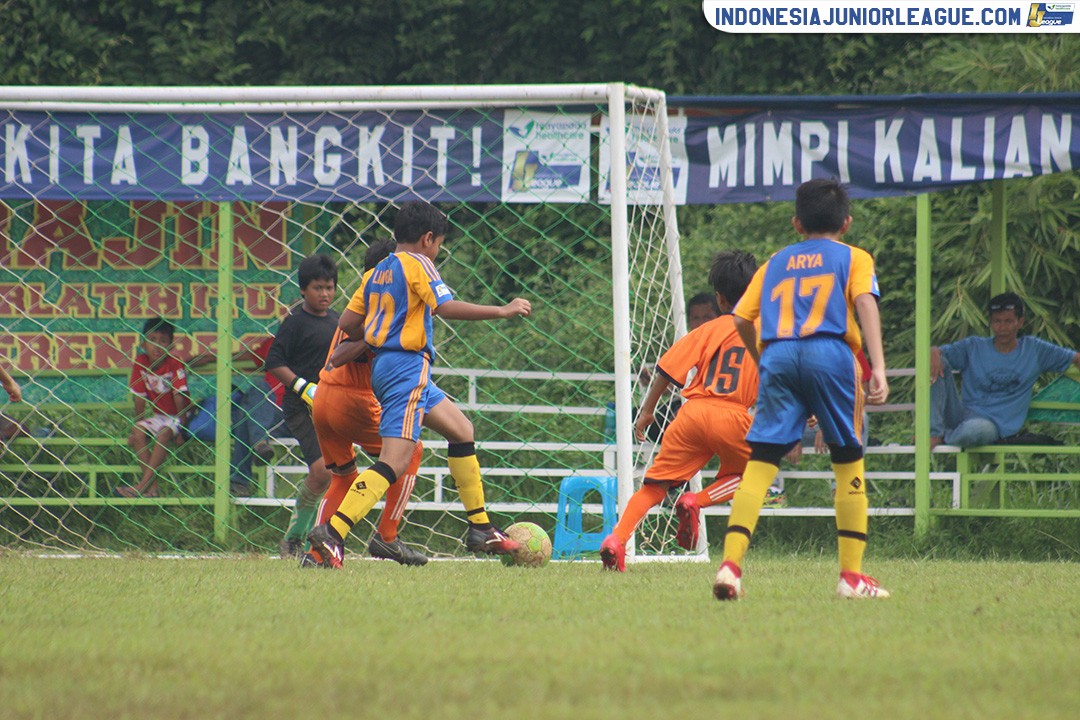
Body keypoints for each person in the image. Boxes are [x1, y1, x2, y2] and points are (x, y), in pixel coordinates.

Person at [306, 200, 531, 568]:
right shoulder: (419, 263)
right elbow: (445, 307)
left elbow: (347, 321)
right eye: (440, 244)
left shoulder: (377, 271)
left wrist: (382, 325)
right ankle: (333, 532)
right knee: (394, 462)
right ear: (428, 238)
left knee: (461, 429)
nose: (438, 251)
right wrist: (501, 310)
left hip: (396, 369)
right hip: (406, 368)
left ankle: (481, 527)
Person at [714, 178, 891, 601]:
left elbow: (741, 319)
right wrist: (879, 367)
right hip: (830, 352)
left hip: (777, 352)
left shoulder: (774, 262)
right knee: (847, 456)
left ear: (796, 223)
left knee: (761, 461)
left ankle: (730, 565)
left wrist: (764, 360)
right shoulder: (854, 257)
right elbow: (865, 301)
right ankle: (851, 577)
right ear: (846, 223)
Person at [599, 251, 759, 572]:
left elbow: (668, 370)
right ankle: (693, 502)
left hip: (692, 413)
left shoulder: (707, 330)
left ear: (719, 299)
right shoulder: (766, 332)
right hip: (734, 415)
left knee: (654, 487)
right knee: (752, 474)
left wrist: (646, 412)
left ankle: (617, 539)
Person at [300, 238, 428, 568]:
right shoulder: (380, 306)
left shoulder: (361, 301)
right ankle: (387, 536)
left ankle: (317, 555)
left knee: (343, 476)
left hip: (324, 398)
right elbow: (342, 355)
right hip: (351, 401)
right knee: (410, 450)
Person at [929, 292, 1080, 449]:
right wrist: (933, 351)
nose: (1002, 328)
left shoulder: (1034, 350)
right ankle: (934, 433)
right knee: (935, 363)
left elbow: (1075, 358)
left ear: (1020, 322)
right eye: (997, 322)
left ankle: (944, 437)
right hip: (961, 415)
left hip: (991, 426)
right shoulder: (973, 346)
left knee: (975, 431)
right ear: (990, 323)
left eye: (1008, 321)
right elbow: (938, 354)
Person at [264, 254, 339, 558]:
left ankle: (324, 537)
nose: (325, 294)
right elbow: (274, 363)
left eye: (330, 287)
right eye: (318, 287)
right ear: (304, 290)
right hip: (300, 407)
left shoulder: (338, 322)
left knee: (334, 474)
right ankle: (295, 538)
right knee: (322, 471)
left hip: (331, 406)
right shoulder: (294, 322)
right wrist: (301, 386)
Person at [186, 335, 284, 495]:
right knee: (257, 392)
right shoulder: (277, 343)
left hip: (291, 415)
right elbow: (244, 356)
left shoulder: (316, 343)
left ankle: (240, 479)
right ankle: (259, 443)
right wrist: (210, 358)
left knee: (246, 415)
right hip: (265, 415)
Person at [638, 291, 722, 443]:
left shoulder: (727, 343)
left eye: (707, 317)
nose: (701, 322)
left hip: (719, 409)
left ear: (718, 317)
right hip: (688, 408)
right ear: (688, 321)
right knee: (634, 416)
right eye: (696, 318)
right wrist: (651, 381)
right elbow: (672, 382)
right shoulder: (688, 344)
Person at [120, 317, 190, 498]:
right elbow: (140, 399)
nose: (157, 346)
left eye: (163, 341)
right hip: (160, 415)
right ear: (143, 343)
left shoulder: (175, 363)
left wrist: (181, 428)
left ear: (171, 346)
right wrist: (138, 425)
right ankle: (153, 488)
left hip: (179, 415)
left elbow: (179, 397)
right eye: (152, 340)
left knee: (164, 434)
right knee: (138, 431)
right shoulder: (141, 363)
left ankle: (142, 486)